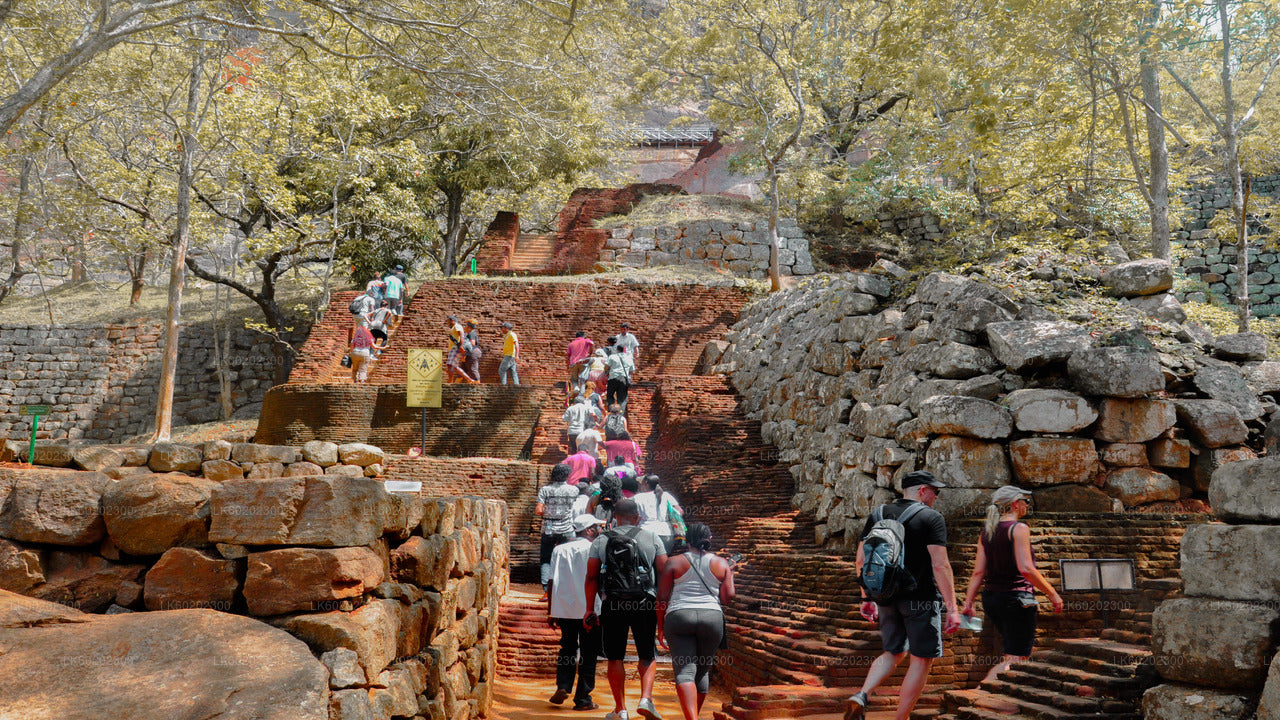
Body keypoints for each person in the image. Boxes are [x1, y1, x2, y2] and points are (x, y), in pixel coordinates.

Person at [845, 470, 962, 720]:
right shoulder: (931, 517)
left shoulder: (878, 514)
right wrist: (952, 608)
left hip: (886, 597)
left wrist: (866, 598)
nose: (936, 497)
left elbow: (860, 560)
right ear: (922, 490)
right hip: (921, 599)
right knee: (921, 660)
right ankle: (901, 718)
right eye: (935, 491)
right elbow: (941, 565)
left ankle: (862, 694)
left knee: (893, 652)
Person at [960, 486, 1064, 683]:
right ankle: (983, 690)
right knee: (1017, 657)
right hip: (1017, 599)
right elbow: (1026, 568)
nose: (1028, 505)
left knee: (1012, 652)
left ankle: (994, 692)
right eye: (1026, 501)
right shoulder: (1019, 529)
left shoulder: (987, 533)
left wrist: (968, 602)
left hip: (992, 600)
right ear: (1016, 504)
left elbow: (978, 572)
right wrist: (1052, 593)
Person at [584, 498, 669, 720]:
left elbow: (591, 576)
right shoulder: (652, 537)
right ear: (637, 517)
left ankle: (620, 709)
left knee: (615, 657)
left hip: (613, 603)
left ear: (615, 517)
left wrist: (589, 609)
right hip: (644, 602)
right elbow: (665, 573)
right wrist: (663, 606)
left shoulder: (601, 540)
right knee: (647, 654)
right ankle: (646, 699)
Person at [656, 523, 736, 720]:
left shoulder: (674, 562)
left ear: (687, 541)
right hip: (712, 618)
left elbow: (662, 598)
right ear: (709, 539)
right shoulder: (721, 563)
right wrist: (730, 573)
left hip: (679, 616)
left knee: (685, 672)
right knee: (702, 671)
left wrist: (660, 626)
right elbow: (727, 598)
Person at [548, 513, 607, 711]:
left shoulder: (559, 549)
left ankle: (563, 686)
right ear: (588, 530)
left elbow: (551, 581)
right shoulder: (594, 549)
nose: (599, 530)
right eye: (596, 527)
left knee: (567, 648)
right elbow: (599, 579)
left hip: (565, 609)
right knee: (589, 653)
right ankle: (583, 699)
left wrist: (551, 611)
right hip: (590, 610)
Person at [536, 463, 580, 601]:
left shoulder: (545, 490)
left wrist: (549, 512)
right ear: (567, 475)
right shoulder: (574, 490)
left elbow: (538, 510)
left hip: (549, 529)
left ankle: (547, 591)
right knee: (568, 559)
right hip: (567, 528)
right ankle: (565, 590)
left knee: (546, 559)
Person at [635, 475, 685, 553]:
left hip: (646, 533)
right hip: (666, 534)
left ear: (646, 483)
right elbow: (680, 511)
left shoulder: (638, 497)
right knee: (664, 559)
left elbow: (636, 517)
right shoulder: (667, 496)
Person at [606, 343, 635, 414]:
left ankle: (611, 412)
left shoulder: (612, 357)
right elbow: (632, 371)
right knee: (622, 399)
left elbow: (606, 367)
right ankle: (620, 414)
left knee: (610, 395)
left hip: (613, 378)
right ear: (624, 350)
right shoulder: (629, 358)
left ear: (617, 349)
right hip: (623, 379)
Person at [445, 316, 474, 383]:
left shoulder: (457, 326)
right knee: (452, 365)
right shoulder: (454, 327)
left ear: (452, 320)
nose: (448, 323)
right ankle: (468, 379)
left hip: (455, 348)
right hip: (454, 348)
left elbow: (461, 335)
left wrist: (461, 346)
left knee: (451, 365)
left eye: (448, 321)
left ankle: (451, 381)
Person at [499, 321, 521, 386]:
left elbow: (516, 344)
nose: (501, 329)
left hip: (510, 355)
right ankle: (517, 386)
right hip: (510, 355)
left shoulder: (512, 334)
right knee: (513, 371)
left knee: (502, 370)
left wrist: (517, 355)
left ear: (506, 328)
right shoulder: (507, 335)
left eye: (502, 328)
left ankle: (504, 386)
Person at [462, 319, 483, 383]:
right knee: (464, 369)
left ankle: (478, 384)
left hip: (473, 352)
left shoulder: (471, 333)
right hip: (471, 352)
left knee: (473, 369)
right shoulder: (471, 333)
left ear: (469, 327)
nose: (464, 327)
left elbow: (472, 344)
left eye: (465, 325)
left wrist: (465, 353)